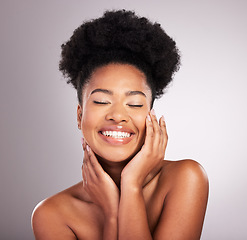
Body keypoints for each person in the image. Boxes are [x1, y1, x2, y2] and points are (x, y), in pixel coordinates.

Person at [31, 10, 209, 240]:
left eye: (134, 104)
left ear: (150, 116)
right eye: (102, 101)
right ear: (79, 115)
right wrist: (112, 213)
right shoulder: (52, 214)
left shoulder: (186, 178)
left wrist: (131, 185)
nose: (117, 115)